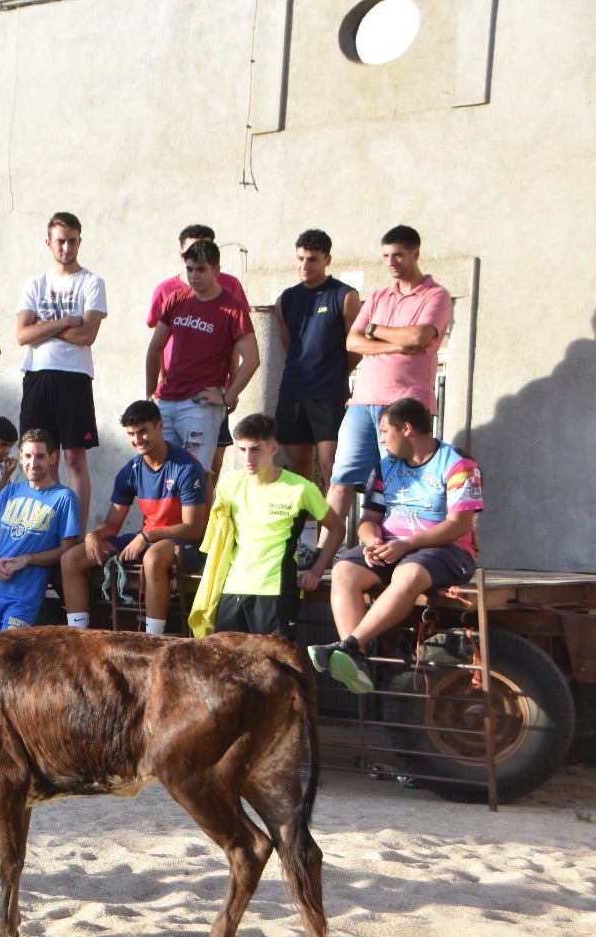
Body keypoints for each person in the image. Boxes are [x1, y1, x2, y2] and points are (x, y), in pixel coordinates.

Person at [310, 398, 482, 694]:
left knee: (409, 575)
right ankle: (358, 663)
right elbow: (367, 520)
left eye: (385, 432)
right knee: (344, 572)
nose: (381, 439)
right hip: (392, 546)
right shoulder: (384, 466)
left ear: (407, 428)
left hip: (446, 550)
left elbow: (459, 525)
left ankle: (348, 646)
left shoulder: (459, 463)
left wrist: (406, 545)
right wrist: (371, 540)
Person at [329, 225, 454, 532]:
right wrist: (398, 344)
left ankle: (396, 541)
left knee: (400, 477)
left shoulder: (436, 296)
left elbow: (420, 335)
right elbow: (352, 342)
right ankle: (322, 549)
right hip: (362, 400)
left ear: (415, 253)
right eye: (385, 255)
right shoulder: (379, 297)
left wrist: (375, 330)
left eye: (398, 254)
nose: (391, 261)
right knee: (342, 476)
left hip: (406, 403)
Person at [60, 402, 208, 635]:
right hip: (149, 539)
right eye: (131, 433)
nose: (137, 439)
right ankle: (77, 636)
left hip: (185, 543)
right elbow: (112, 525)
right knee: (71, 559)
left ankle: (152, 639)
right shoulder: (130, 470)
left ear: (160, 426)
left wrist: (146, 535)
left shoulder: (187, 467)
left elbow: (194, 528)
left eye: (143, 431)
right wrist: (92, 535)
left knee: (153, 557)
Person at [205, 414, 345, 640]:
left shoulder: (301, 488)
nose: (248, 457)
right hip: (233, 586)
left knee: (274, 669)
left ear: (273, 448)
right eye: (242, 450)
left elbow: (337, 528)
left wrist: (317, 570)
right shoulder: (229, 484)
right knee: (225, 668)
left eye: (255, 449)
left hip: (276, 590)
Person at [15, 211, 107, 524]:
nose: (66, 248)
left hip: (75, 378)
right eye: (60, 242)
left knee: (74, 459)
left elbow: (87, 335)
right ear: (49, 243)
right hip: (38, 376)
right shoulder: (35, 284)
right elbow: (23, 334)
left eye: (71, 241)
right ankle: (47, 526)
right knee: (42, 456)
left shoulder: (92, 283)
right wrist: (67, 321)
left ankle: (76, 534)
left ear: (79, 241)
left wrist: (46, 326)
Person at [147, 224, 253, 483]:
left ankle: (200, 525)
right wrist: (150, 392)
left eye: (201, 269)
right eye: (190, 269)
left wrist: (228, 395)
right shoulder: (176, 299)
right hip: (167, 399)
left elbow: (252, 359)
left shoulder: (233, 308)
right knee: (162, 472)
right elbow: (155, 347)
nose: (194, 275)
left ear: (216, 270)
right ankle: (165, 525)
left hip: (200, 404)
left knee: (196, 474)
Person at [273, 229, 361, 492]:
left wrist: (331, 373)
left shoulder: (345, 296)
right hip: (294, 392)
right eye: (300, 258)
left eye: (312, 259)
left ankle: (333, 532)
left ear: (327, 260)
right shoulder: (286, 299)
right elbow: (289, 344)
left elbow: (355, 347)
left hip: (329, 394)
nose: (304, 265)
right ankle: (308, 532)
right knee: (298, 463)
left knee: (331, 466)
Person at [0, 429, 80, 638]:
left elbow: (67, 550)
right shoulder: (8, 492)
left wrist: (29, 559)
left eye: (40, 456)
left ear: (52, 458)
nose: (33, 463)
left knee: (8, 657)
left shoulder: (65, 498)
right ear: (20, 457)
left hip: (25, 596)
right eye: (28, 456)